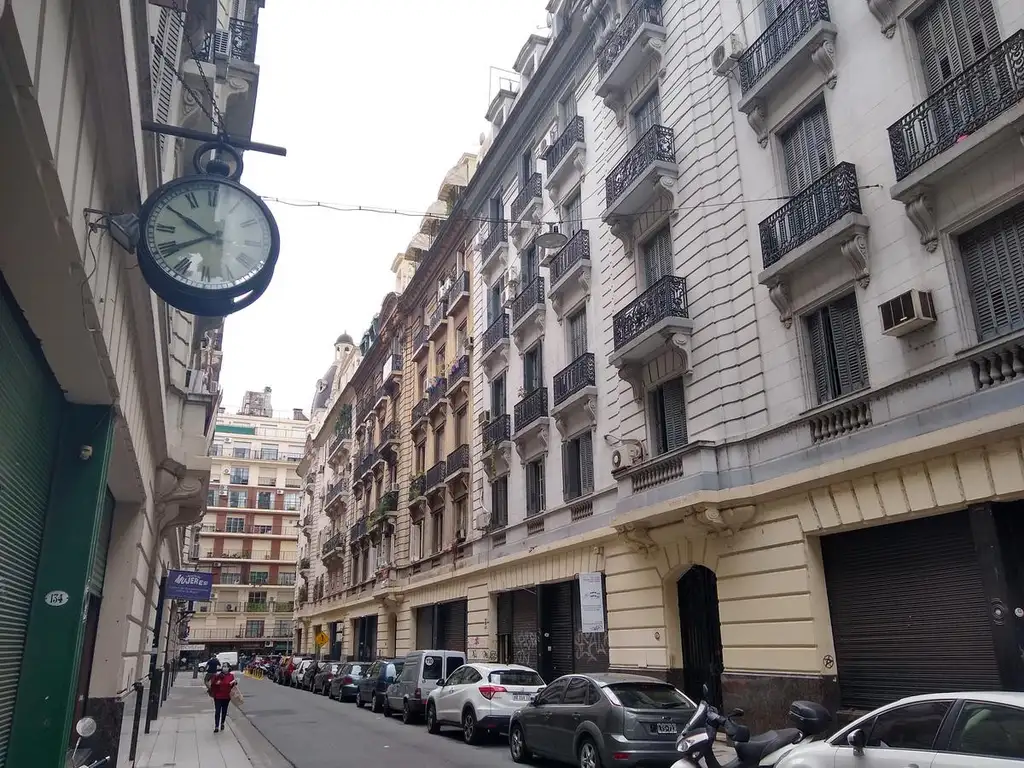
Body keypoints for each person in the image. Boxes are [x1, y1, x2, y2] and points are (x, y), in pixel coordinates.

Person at [209, 663, 236, 733]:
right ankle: (216, 726)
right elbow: (212, 684)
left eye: (226, 666)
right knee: (217, 711)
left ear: (229, 668)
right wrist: (216, 683)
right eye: (223, 666)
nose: (224, 668)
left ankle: (222, 723)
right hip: (218, 696)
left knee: (224, 711)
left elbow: (232, 686)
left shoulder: (231, 676)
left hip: (226, 696)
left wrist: (234, 683)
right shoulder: (218, 675)